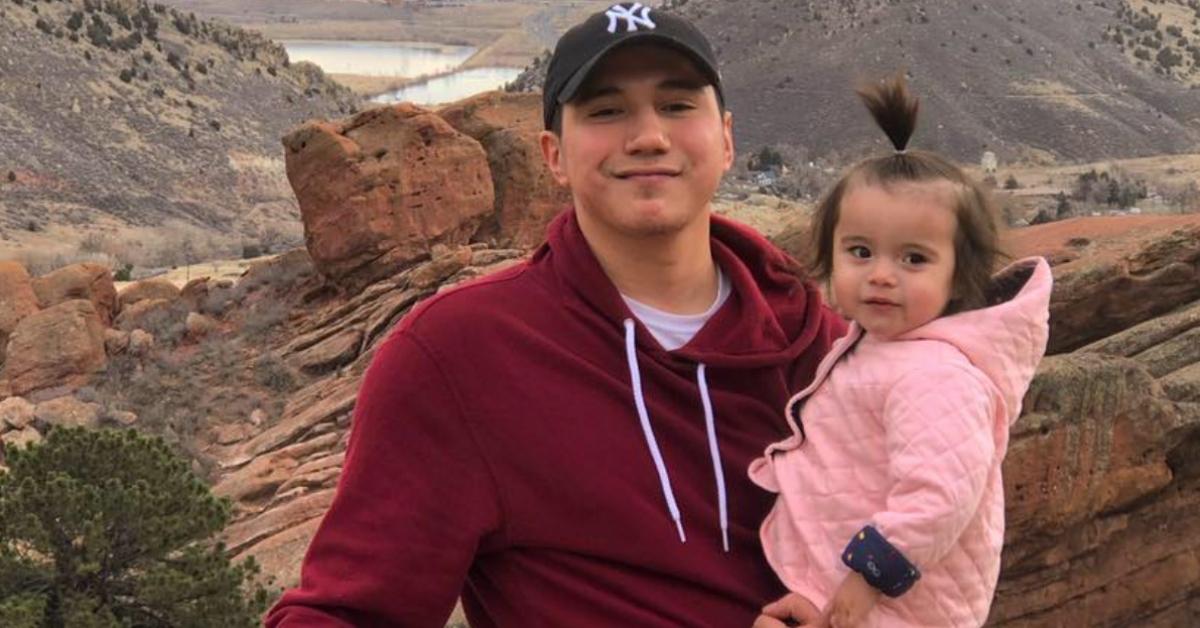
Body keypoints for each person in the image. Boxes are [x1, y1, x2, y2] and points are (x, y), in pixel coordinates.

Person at [264, 3, 844, 626]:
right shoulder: (462, 355)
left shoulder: (829, 346)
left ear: (726, 138)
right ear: (554, 155)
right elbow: (348, 612)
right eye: (605, 111)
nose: (649, 136)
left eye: (677, 105)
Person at [748, 75, 1051, 628]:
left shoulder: (937, 373)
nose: (882, 276)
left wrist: (869, 578)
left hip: (895, 605)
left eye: (913, 259)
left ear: (960, 277)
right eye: (860, 252)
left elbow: (939, 494)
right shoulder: (881, 345)